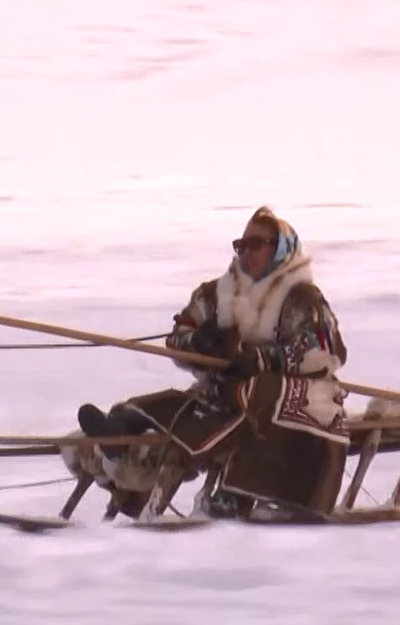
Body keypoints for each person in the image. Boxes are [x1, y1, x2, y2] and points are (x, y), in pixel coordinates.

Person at [73, 206, 352, 520]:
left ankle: (239, 493)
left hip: (284, 392)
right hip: (224, 390)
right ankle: (121, 429)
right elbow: (180, 334)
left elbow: (322, 349)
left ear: (281, 248)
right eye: (241, 245)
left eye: (256, 244)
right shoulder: (220, 292)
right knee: (180, 406)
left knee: (263, 393)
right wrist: (197, 341)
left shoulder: (302, 297)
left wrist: (263, 358)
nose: (246, 253)